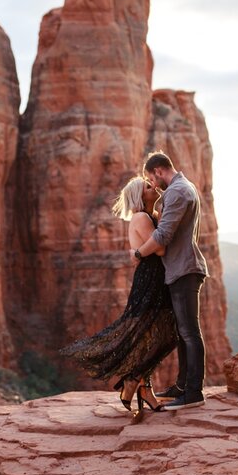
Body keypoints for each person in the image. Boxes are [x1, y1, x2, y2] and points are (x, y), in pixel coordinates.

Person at [60, 176, 177, 416]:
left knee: (151, 337)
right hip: (150, 279)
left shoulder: (148, 216)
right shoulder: (142, 217)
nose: (152, 187)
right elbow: (161, 248)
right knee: (168, 335)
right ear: (139, 196)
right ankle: (133, 379)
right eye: (147, 186)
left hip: (154, 278)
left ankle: (145, 390)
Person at [131, 151, 209, 410]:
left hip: (184, 270)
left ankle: (194, 392)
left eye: (151, 179)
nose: (152, 184)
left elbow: (163, 235)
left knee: (189, 332)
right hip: (181, 269)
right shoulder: (181, 189)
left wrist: (139, 253)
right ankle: (183, 386)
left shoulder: (177, 191)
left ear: (158, 172)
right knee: (183, 332)